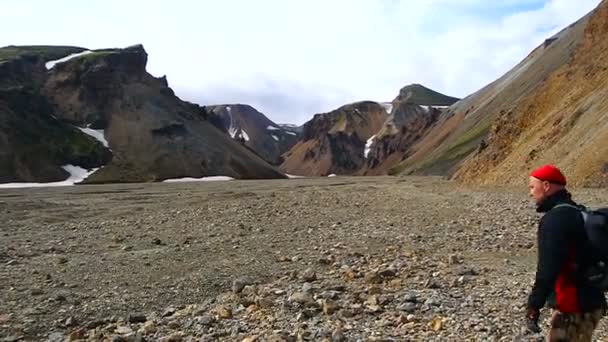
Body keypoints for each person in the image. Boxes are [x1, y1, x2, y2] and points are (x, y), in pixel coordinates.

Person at [525, 164, 606, 341]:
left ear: (546, 186)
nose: (530, 193)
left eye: (532, 187)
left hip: (574, 304)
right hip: (589, 300)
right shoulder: (576, 211)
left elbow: (547, 268)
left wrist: (534, 305)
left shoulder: (554, 220)